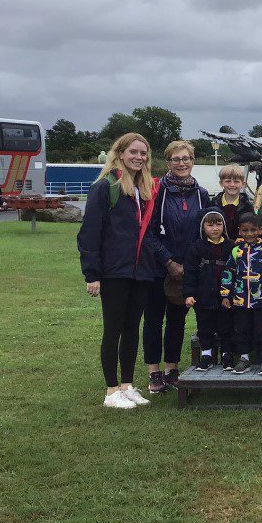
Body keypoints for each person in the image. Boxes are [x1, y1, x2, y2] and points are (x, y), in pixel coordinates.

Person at [78, 132, 159, 409]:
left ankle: (127, 385)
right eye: (133, 152)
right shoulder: (105, 187)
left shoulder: (144, 190)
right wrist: (92, 274)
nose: (139, 157)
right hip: (114, 271)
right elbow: (89, 233)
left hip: (140, 271)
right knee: (113, 330)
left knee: (132, 329)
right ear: (120, 154)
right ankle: (111, 391)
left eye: (143, 153)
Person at [145, 140, 210, 394]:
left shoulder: (201, 194)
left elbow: (203, 232)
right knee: (153, 319)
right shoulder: (156, 191)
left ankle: (171, 369)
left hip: (186, 268)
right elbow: (148, 231)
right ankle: (154, 372)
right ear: (168, 163)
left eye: (186, 159)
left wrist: (188, 265)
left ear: (193, 161)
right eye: (176, 159)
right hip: (157, 266)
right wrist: (168, 261)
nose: (181, 163)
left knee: (177, 320)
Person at [221, 213, 262, 375]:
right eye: (245, 230)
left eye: (253, 230)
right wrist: (225, 295)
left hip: (261, 301)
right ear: (240, 231)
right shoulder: (235, 251)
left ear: (260, 230)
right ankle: (244, 358)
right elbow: (229, 273)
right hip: (240, 301)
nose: (249, 234)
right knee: (241, 330)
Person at [183, 211, 235, 371]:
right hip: (203, 294)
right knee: (205, 325)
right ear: (203, 227)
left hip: (226, 295)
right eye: (210, 225)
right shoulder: (196, 247)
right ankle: (206, 354)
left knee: (226, 325)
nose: (215, 228)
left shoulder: (231, 246)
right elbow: (190, 273)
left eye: (218, 224)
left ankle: (227, 354)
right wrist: (189, 294)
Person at [210, 164, 253, 242]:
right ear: (221, 183)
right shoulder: (212, 205)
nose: (232, 185)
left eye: (236, 181)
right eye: (228, 181)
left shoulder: (248, 207)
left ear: (243, 184)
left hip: (240, 247)